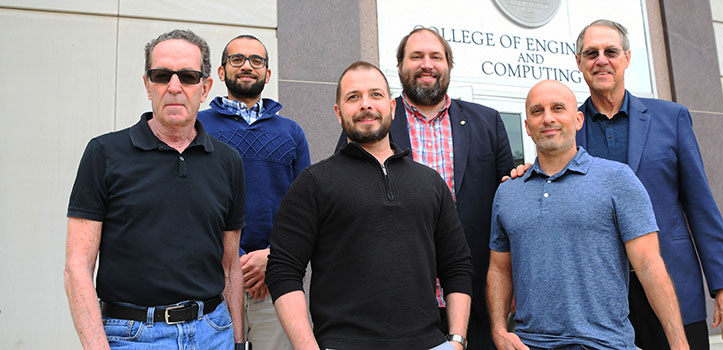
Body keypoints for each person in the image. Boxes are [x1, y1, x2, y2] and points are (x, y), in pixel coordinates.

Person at [267, 61, 473, 349]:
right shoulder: (313, 183)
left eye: (375, 95)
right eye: (353, 97)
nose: (365, 105)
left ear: (392, 107)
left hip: (429, 343)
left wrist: (457, 340)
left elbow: (457, 267)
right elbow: (283, 271)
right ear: (338, 113)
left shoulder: (430, 183)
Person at [64, 29, 246, 348]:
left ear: (205, 88)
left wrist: (239, 342)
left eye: (188, 76)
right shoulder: (104, 154)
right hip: (131, 337)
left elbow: (230, 267)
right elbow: (77, 267)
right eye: (162, 75)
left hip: (213, 334)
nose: (174, 87)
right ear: (148, 84)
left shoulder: (228, 162)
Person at [336, 27, 513, 349]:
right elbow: (344, 192)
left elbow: (508, 205)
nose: (426, 64)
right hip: (394, 297)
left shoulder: (488, 122)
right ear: (400, 66)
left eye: (435, 56)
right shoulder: (373, 119)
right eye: (416, 56)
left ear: (448, 65)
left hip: (474, 294)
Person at [574, 19, 723, 349]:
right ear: (579, 62)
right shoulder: (571, 128)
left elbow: (701, 204)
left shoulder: (671, 118)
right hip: (601, 300)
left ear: (626, 57)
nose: (601, 60)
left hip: (673, 284)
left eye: (610, 51)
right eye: (591, 53)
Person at [487, 79, 688, 350]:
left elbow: (650, 266)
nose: (548, 118)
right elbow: (499, 270)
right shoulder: (509, 192)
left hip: (606, 344)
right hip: (529, 344)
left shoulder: (617, 179)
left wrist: (679, 344)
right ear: (527, 126)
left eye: (558, 108)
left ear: (578, 120)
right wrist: (499, 330)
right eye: (537, 111)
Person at [199, 34, 310, 350]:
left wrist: (272, 258)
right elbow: (188, 203)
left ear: (268, 73)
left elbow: (306, 212)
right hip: (212, 279)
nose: (247, 66)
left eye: (256, 60)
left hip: (273, 280)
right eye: (237, 59)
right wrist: (236, 261)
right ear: (221, 72)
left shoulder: (291, 132)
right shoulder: (199, 127)